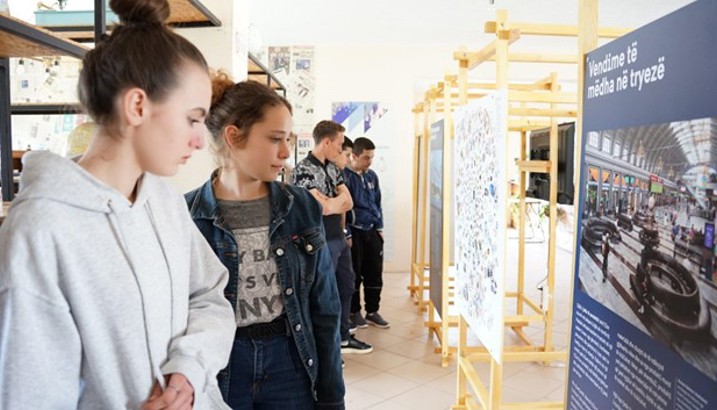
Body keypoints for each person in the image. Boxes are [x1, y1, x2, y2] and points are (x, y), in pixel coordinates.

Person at [0, 0, 235, 408]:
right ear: (138, 106)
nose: (200, 141)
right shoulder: (41, 231)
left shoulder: (163, 199)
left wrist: (188, 371)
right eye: (193, 119)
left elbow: (208, 295)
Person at [185, 77, 345, 409]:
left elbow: (325, 309)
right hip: (222, 364)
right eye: (275, 139)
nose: (286, 153)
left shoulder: (300, 206)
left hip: (290, 358)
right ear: (233, 136)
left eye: (287, 139)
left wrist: (332, 397)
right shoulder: (185, 215)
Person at [291, 122, 372, 355]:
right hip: (319, 240)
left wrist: (331, 203)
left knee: (346, 286)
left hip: (338, 237)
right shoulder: (303, 170)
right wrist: (333, 203)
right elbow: (321, 208)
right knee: (323, 294)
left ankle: (343, 337)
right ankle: (327, 345)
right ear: (326, 142)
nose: (341, 149)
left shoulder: (334, 168)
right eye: (338, 144)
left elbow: (347, 202)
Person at [344, 137, 390, 329]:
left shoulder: (372, 176)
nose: (369, 162)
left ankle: (373, 311)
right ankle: (355, 313)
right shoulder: (344, 177)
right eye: (366, 158)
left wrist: (379, 228)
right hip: (355, 234)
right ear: (353, 156)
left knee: (374, 273)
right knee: (354, 274)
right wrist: (346, 233)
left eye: (372, 157)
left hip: (372, 232)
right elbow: (343, 209)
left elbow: (377, 203)